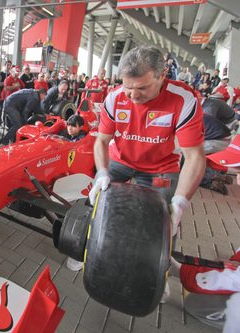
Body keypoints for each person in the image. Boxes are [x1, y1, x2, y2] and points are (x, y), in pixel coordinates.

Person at [87, 46, 205, 276]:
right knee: (96, 202)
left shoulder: (183, 100)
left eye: (142, 88)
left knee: (164, 221)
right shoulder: (114, 98)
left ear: (162, 76)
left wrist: (180, 201)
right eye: (128, 87)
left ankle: (161, 271)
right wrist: (102, 172)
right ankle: (88, 248)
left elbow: (195, 157)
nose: (133, 96)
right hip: (120, 161)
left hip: (160, 169)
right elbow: (101, 141)